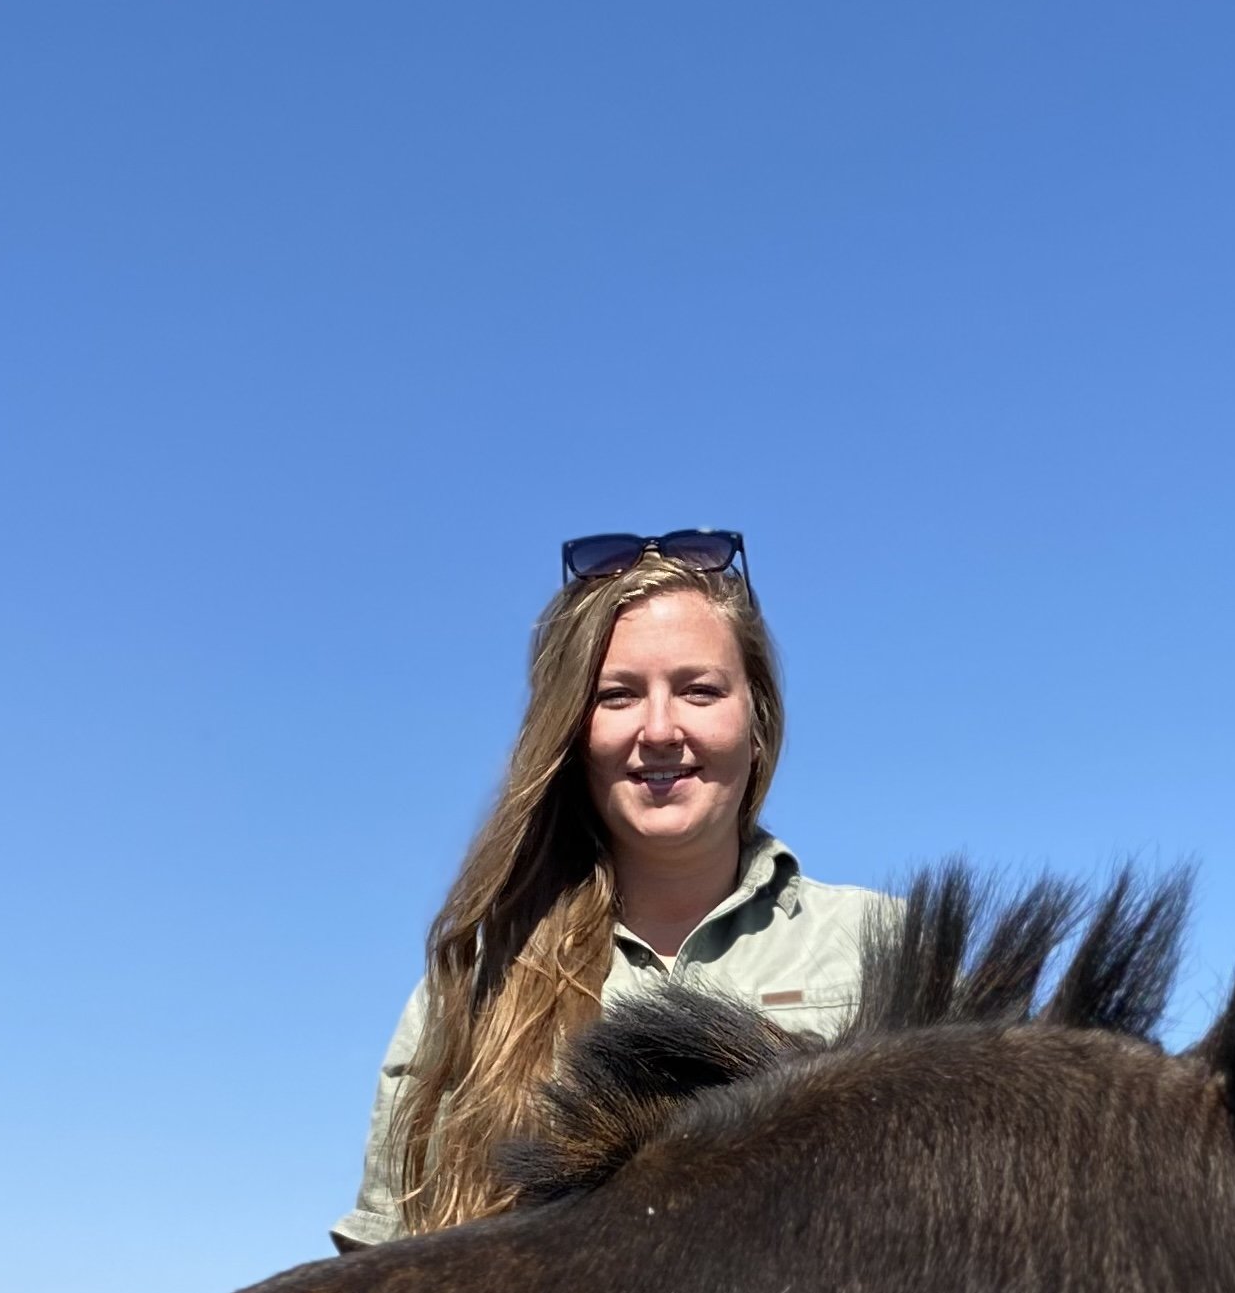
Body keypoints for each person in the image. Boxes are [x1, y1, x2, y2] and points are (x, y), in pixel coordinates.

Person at [332, 529, 899, 1250]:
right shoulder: (470, 992)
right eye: (618, 696)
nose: (659, 730)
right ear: (571, 735)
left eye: (698, 690)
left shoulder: (887, 944)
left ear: (755, 722)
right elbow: (381, 1285)